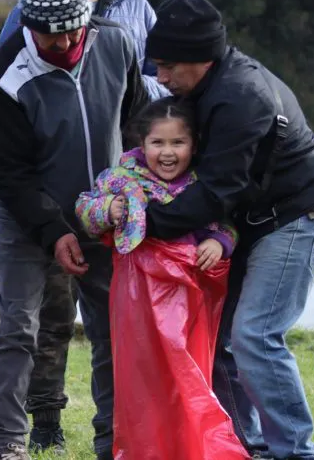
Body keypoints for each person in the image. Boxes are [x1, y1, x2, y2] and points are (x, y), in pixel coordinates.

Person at [0, 0, 165, 449]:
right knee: (23, 327)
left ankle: (115, 438)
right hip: (27, 215)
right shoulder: (4, 71)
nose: (64, 46)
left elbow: (141, 126)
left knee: (116, 330)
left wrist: (130, 193)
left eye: (74, 35)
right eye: (50, 39)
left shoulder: (116, 42)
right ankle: (8, 441)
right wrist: (55, 230)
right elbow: (11, 173)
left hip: (106, 213)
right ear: (28, 29)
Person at [142, 0, 314, 460]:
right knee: (221, 337)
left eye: (167, 65)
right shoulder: (206, 89)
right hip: (255, 221)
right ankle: (247, 448)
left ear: (200, 58)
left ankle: (296, 453)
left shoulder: (240, 97)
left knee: (254, 335)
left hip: (298, 219)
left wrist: (138, 224)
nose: (160, 77)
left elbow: (215, 191)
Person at [75, 98, 248, 460]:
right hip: (136, 297)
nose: (167, 153)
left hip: (190, 298)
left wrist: (219, 243)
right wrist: (108, 210)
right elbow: (86, 209)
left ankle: (188, 447)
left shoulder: (202, 183)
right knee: (143, 377)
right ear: (142, 143)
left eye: (177, 143)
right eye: (158, 143)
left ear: (194, 146)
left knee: (187, 372)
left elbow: (226, 224)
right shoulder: (121, 178)